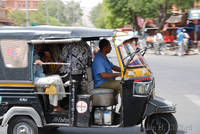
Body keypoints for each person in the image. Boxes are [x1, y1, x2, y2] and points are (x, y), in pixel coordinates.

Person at [34, 46, 66, 112]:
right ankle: (55, 106)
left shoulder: (35, 54)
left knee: (57, 77)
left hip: (39, 77)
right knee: (54, 81)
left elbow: (40, 73)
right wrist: (34, 63)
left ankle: (57, 104)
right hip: (33, 79)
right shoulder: (30, 54)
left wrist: (49, 75)